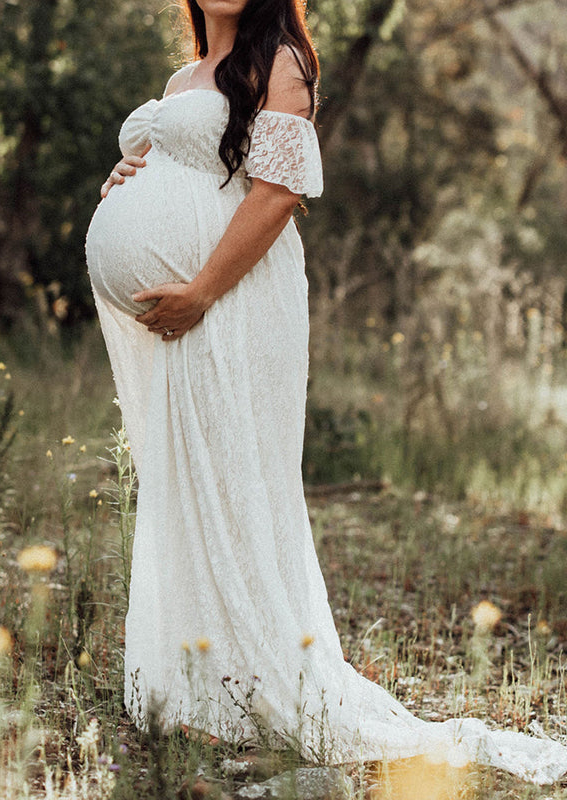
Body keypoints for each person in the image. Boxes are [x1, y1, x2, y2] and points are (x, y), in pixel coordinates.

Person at [86, 0, 567, 784]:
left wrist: (202, 291)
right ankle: (201, 684)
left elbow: (276, 196)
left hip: (237, 302)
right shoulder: (183, 77)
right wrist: (127, 174)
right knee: (190, 482)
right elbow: (187, 165)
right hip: (188, 313)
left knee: (240, 481)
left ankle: (260, 681)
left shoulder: (280, 64)